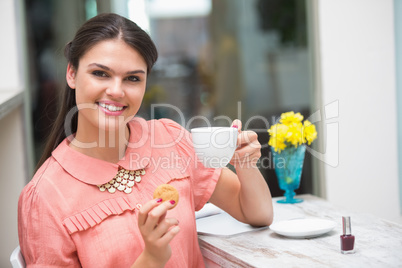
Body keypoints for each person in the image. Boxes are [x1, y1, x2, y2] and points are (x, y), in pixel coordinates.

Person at [18, 13, 273, 268]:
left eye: (132, 78)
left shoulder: (169, 139)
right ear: (72, 74)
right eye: (100, 73)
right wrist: (150, 259)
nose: (117, 91)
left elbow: (258, 213)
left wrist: (245, 163)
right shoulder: (46, 197)